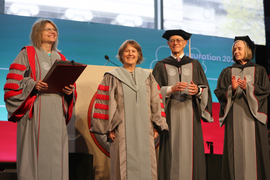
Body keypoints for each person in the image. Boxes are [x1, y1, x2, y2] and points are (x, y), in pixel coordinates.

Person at [4, 19, 76, 180]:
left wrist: (70, 92)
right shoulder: (27, 53)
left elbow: (68, 86)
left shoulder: (61, 57)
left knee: (57, 155)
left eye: (54, 29)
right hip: (35, 109)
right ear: (38, 32)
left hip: (56, 111)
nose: (53, 32)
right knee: (35, 155)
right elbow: (14, 83)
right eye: (47, 29)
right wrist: (33, 84)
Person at [90, 39, 169, 180]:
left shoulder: (148, 77)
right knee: (122, 166)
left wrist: (157, 125)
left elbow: (156, 102)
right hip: (121, 130)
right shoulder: (112, 77)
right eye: (127, 51)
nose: (130, 54)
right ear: (121, 55)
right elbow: (105, 103)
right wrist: (109, 127)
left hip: (146, 130)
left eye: (134, 51)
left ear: (139, 55)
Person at [152, 29, 213, 180]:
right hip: (170, 115)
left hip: (190, 114)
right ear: (168, 44)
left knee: (190, 151)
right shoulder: (161, 65)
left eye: (179, 40)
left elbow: (205, 89)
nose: (175, 43)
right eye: (172, 41)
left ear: (185, 43)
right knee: (171, 152)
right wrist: (170, 89)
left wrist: (197, 90)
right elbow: (152, 93)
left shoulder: (195, 64)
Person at [214, 35, 270, 180]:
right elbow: (219, 92)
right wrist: (231, 89)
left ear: (248, 50)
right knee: (235, 154)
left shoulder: (260, 71)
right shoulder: (227, 72)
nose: (236, 51)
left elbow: (265, 91)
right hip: (235, 119)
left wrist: (248, 87)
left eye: (239, 49)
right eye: (234, 49)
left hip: (254, 120)